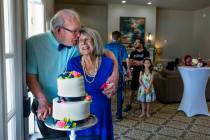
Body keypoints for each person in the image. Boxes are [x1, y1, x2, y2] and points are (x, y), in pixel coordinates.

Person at [26, 9, 118, 138]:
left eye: (79, 30)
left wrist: (115, 75)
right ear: (59, 30)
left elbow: (107, 53)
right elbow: (30, 77)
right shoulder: (33, 43)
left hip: (75, 109)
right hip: (49, 108)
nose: (79, 35)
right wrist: (42, 100)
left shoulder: (76, 43)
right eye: (75, 31)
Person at [66, 27, 114, 140]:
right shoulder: (73, 64)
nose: (83, 43)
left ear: (95, 41)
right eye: (80, 40)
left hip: (102, 111)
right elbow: (69, 90)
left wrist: (112, 90)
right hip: (80, 113)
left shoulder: (108, 63)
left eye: (88, 39)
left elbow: (112, 87)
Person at [105, 31, 131, 121]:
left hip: (107, 73)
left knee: (107, 93)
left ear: (112, 37)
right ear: (119, 37)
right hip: (119, 72)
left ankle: (107, 115)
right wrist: (128, 70)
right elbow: (127, 60)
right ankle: (119, 114)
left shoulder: (106, 46)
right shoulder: (121, 47)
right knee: (120, 93)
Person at [124, 39, 150, 112]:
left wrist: (136, 62)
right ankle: (129, 105)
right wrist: (139, 62)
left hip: (143, 73)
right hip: (135, 73)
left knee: (142, 89)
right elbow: (130, 63)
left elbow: (145, 63)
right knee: (132, 89)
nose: (134, 43)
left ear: (141, 43)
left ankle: (141, 105)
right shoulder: (133, 52)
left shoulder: (146, 53)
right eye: (134, 42)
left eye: (136, 42)